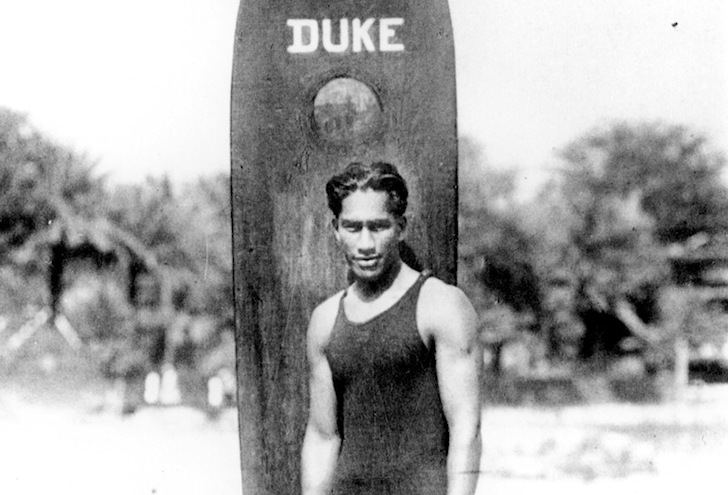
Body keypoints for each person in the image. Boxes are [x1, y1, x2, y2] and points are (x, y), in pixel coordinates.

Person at [301, 162, 482, 495]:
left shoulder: (441, 304)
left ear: (401, 228)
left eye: (379, 226)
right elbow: (322, 435)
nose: (366, 243)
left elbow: (466, 428)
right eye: (353, 227)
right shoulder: (325, 320)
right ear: (335, 229)